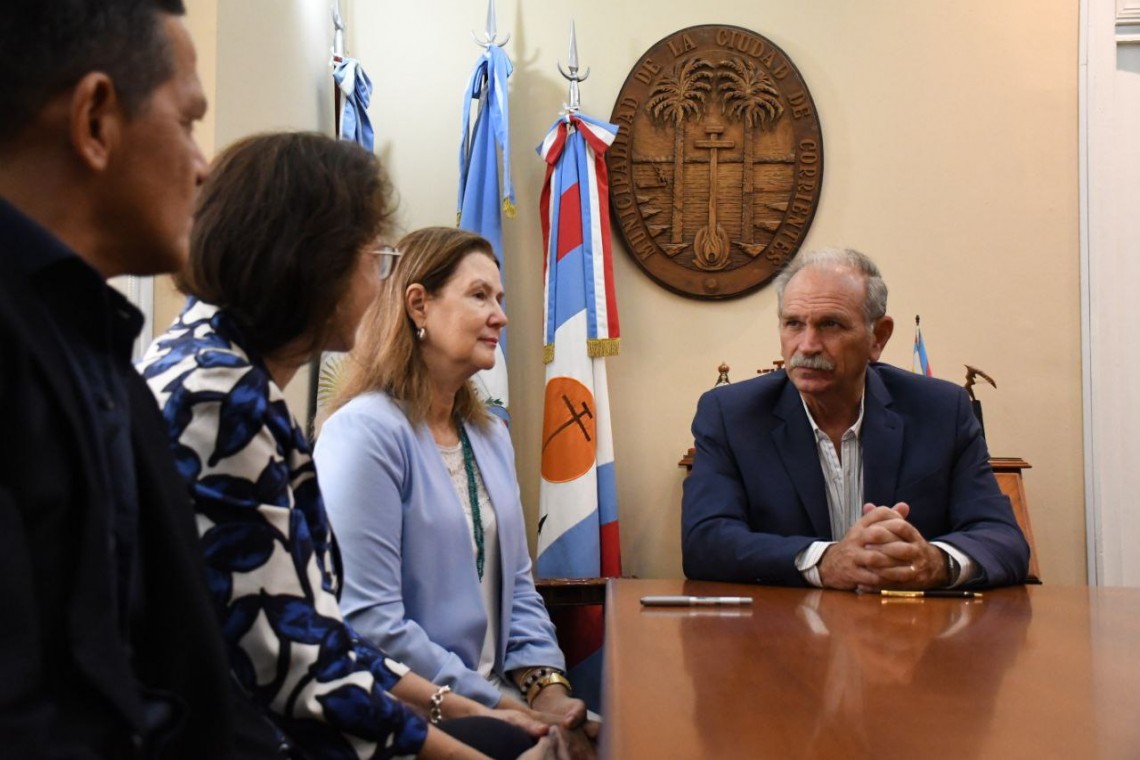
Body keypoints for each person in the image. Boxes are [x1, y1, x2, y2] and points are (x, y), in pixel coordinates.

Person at [138, 134, 568, 760]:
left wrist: (477, 709)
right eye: (375, 257)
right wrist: (476, 747)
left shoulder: (221, 370)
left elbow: (321, 631)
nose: (379, 283)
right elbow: (295, 666)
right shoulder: (220, 395)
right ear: (310, 259)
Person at [0, 1, 284, 756]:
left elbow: (181, 675)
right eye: (187, 122)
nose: (202, 165)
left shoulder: (99, 351)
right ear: (96, 119)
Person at [314, 227, 595, 738]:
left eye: (499, 299)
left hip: (500, 699)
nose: (500, 316)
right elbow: (371, 624)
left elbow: (518, 588)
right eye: (479, 295)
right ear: (418, 305)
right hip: (411, 713)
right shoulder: (363, 433)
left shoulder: (489, 437)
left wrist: (550, 694)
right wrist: (504, 710)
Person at [681, 247, 1030, 590]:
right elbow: (704, 542)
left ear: (878, 337)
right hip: (787, 623)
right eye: (793, 324)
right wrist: (823, 561)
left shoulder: (941, 410)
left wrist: (935, 563)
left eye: (830, 325)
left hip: (908, 624)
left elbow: (1003, 539)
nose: (807, 345)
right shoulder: (732, 415)